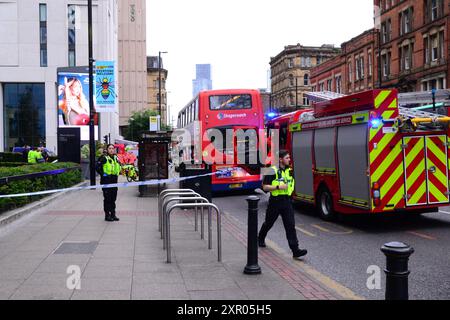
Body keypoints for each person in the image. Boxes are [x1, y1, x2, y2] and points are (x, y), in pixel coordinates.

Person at [258, 149, 307, 260]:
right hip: (275, 202)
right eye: (287, 158)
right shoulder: (271, 170)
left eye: (289, 158)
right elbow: (264, 187)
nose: (289, 160)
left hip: (287, 202)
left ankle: (295, 250)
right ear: (280, 159)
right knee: (269, 223)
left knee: (290, 226)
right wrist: (278, 187)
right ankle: (260, 237)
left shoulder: (290, 170)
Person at [96, 144, 121, 222]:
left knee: (113, 198)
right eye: (109, 148)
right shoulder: (103, 158)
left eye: (112, 148)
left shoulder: (116, 158)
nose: (111, 150)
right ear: (107, 149)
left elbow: (118, 166)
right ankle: (107, 215)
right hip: (106, 181)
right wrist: (102, 174)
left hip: (114, 181)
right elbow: (97, 167)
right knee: (107, 199)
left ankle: (113, 214)